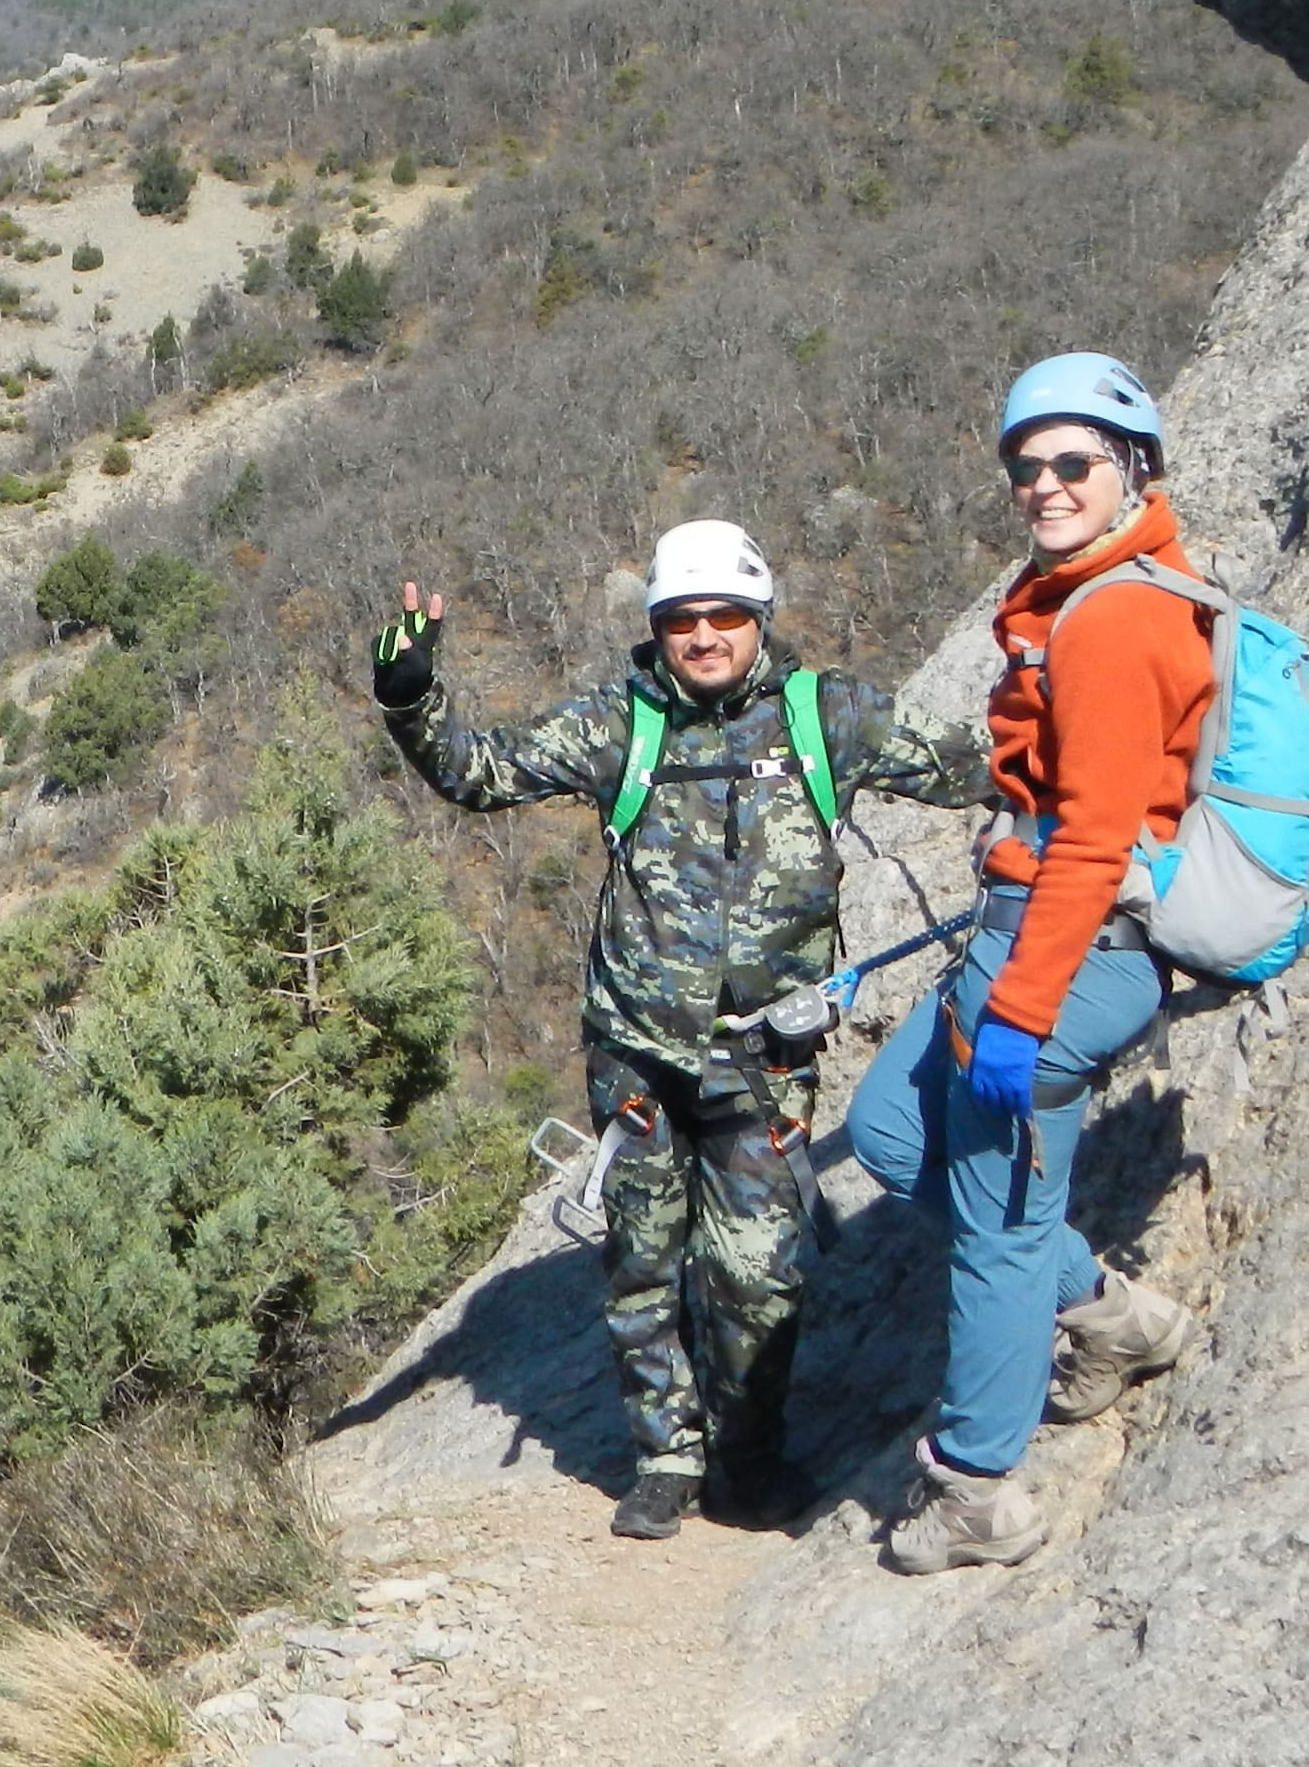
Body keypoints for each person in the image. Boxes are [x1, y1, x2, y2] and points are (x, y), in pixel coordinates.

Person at [840, 352, 1309, 1574]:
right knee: (897, 1138)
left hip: (1063, 957)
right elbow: (1271, 656)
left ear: (1133, 466)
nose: (1045, 487)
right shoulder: (1148, 579)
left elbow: (1098, 829)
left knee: (1002, 1226)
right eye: (1027, 468)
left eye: (1073, 462)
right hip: (1030, 939)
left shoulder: (1109, 619)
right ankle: (1119, 1318)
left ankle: (978, 1493)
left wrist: (1017, 1015)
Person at [374, 521, 982, 1538]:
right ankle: (664, 1460)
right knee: (644, 1261)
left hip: (764, 1056)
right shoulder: (623, 726)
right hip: (639, 1056)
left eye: (724, 616)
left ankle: (747, 1461)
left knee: (758, 1273)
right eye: (682, 620)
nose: (704, 636)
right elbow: (480, 772)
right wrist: (409, 698)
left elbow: (975, 765)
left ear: (759, 618)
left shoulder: (827, 717)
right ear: (657, 630)